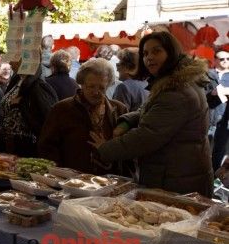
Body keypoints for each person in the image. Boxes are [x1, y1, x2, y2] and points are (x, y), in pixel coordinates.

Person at [89, 31, 214, 197]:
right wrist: (126, 121)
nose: (149, 58)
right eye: (146, 53)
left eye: (156, 51)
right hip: (179, 174)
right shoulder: (173, 83)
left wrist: (105, 149)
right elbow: (149, 110)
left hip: (177, 182)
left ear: (171, 52)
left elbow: (147, 136)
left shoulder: (177, 91)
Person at [38, 58, 127, 175]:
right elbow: (46, 146)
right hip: (70, 182)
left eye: (101, 88)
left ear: (108, 86)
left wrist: (109, 148)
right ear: (82, 84)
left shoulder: (119, 109)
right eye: (91, 86)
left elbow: (126, 149)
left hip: (107, 183)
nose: (96, 92)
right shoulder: (62, 109)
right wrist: (59, 175)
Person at [2, 58, 58, 157]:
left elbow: (48, 122)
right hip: (11, 145)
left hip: (28, 149)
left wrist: (21, 104)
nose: (10, 62)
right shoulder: (16, 81)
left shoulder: (39, 86)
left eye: (15, 57)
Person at [207, 49, 229, 171]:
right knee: (204, 149)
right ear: (215, 60)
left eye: (228, 59)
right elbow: (202, 95)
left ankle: (214, 176)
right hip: (209, 117)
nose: (225, 61)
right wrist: (214, 93)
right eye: (222, 59)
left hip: (225, 120)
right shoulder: (207, 75)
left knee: (219, 151)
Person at [112, 47, 149, 112]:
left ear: (128, 66)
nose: (117, 69)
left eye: (118, 65)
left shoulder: (124, 87)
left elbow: (117, 118)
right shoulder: (147, 84)